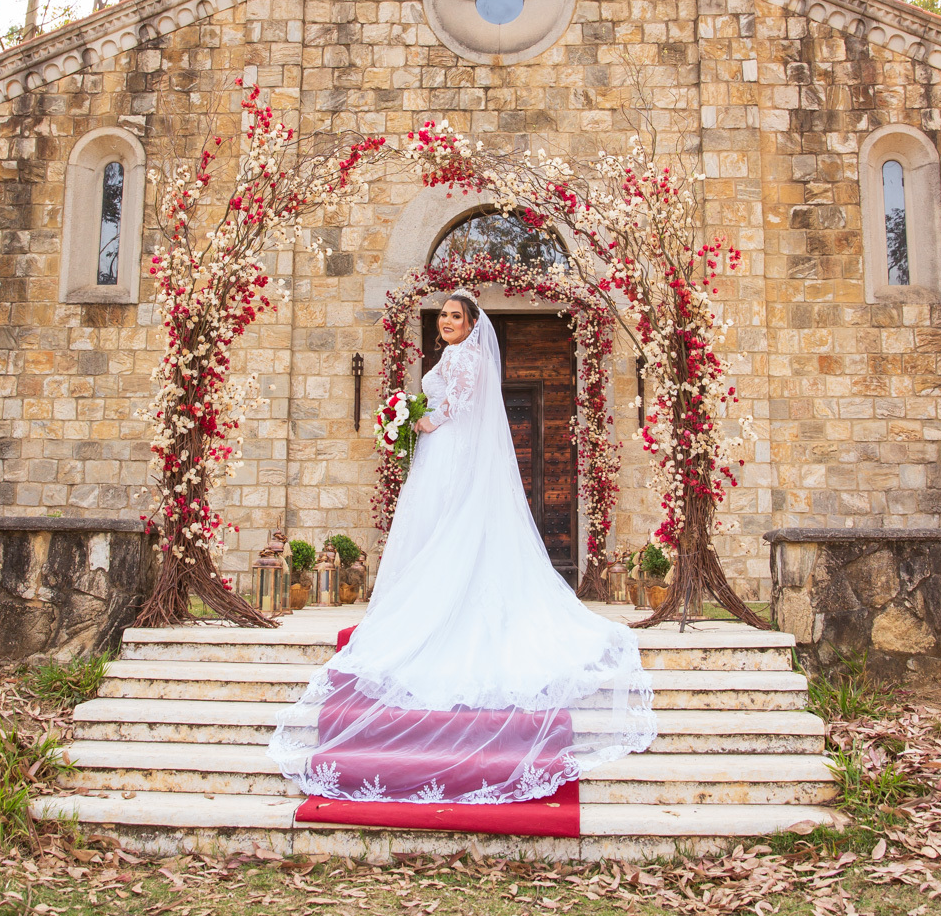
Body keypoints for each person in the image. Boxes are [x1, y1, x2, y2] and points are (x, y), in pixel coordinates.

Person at [268, 291, 655, 804]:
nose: (448, 322)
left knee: (444, 532)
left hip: (449, 451)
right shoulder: (455, 355)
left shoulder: (463, 356)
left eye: (457, 316)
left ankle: (441, 612)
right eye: (444, 316)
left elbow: (460, 404)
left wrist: (422, 420)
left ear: (472, 324)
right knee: (438, 535)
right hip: (445, 453)